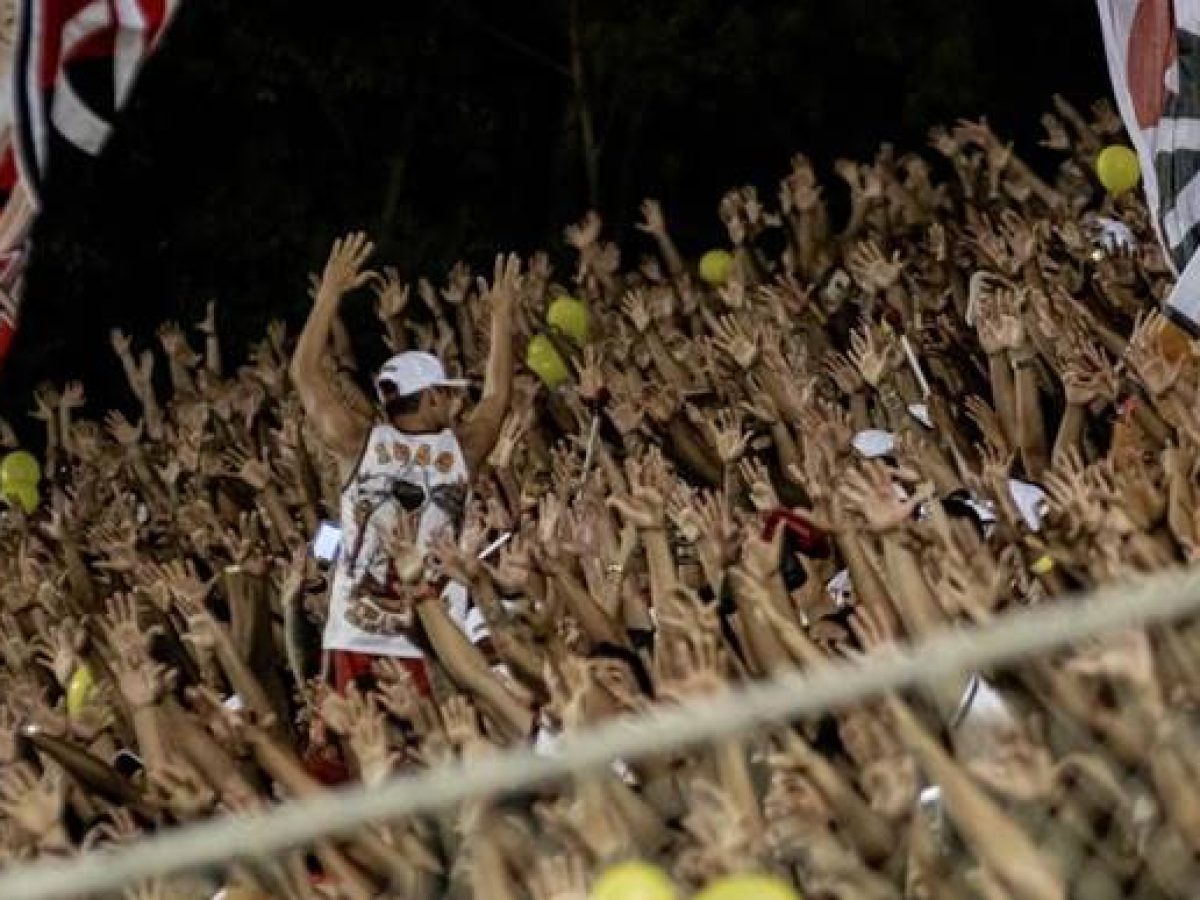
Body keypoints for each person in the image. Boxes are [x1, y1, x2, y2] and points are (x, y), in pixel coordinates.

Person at [290, 236, 520, 692]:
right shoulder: (463, 450)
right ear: (432, 395)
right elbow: (497, 397)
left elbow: (305, 373)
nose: (454, 400)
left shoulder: (357, 442)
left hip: (355, 637)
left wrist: (330, 293)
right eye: (447, 392)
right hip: (434, 640)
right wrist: (500, 318)